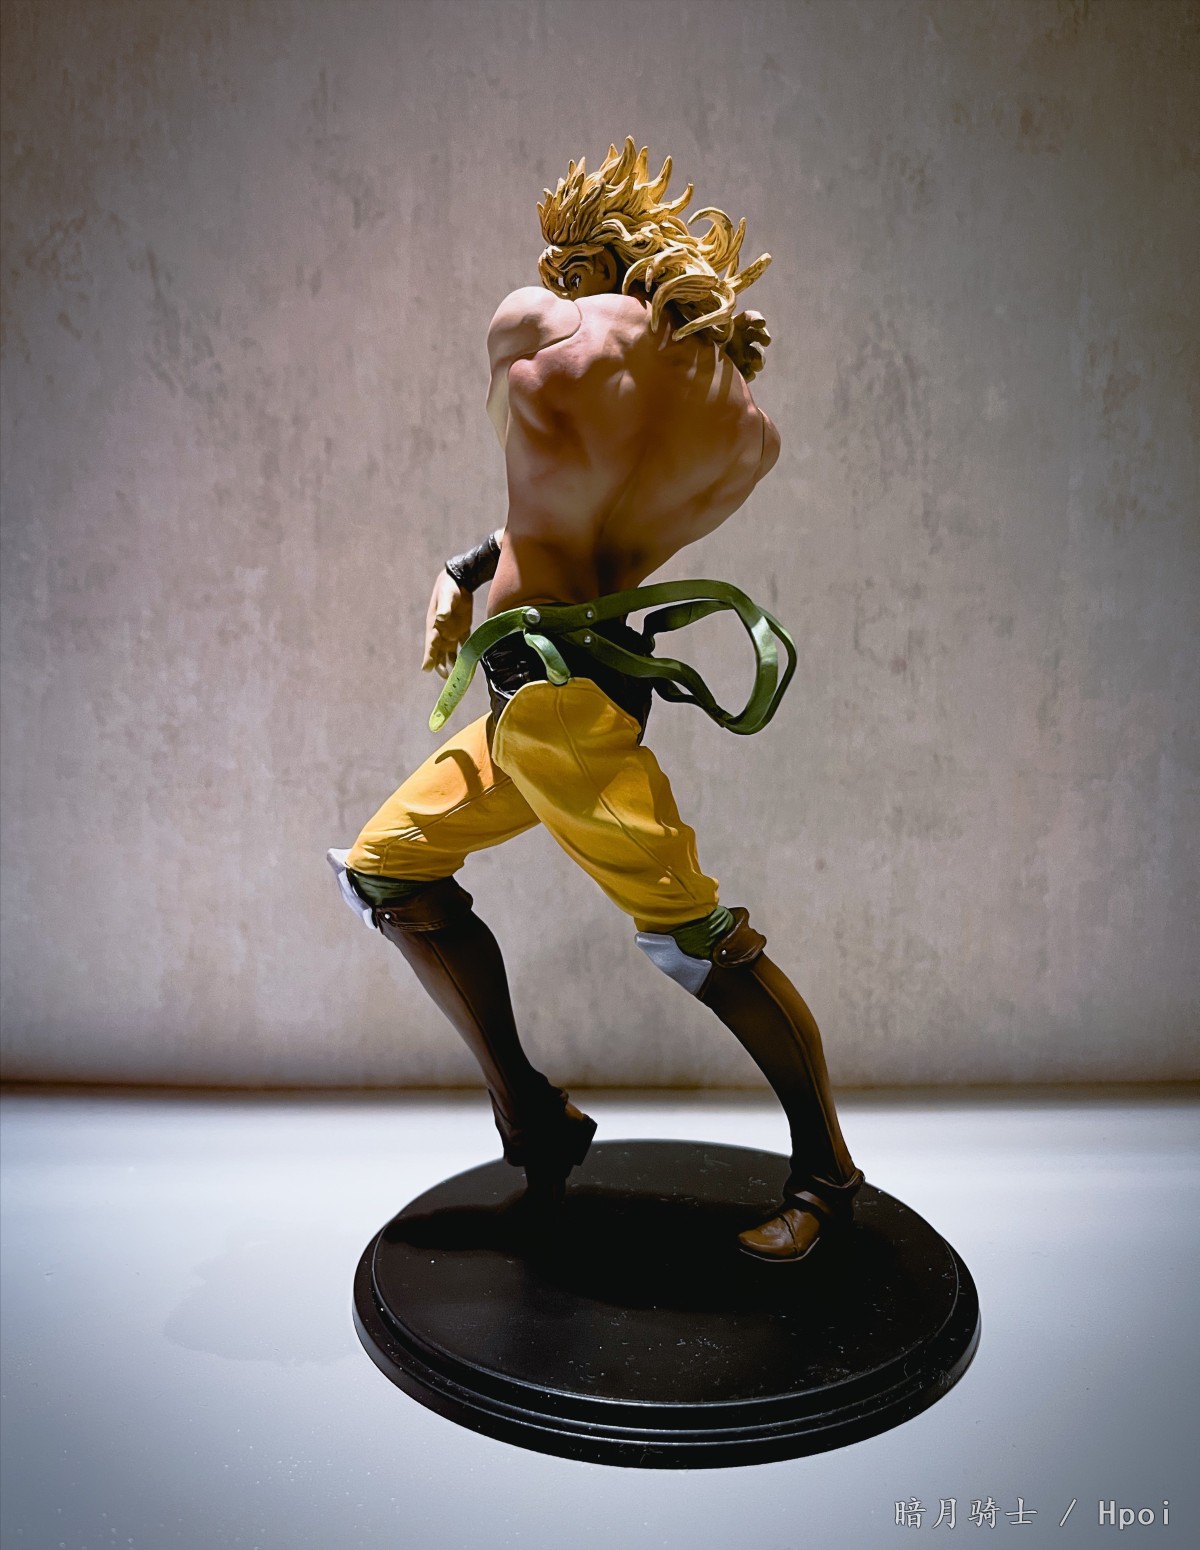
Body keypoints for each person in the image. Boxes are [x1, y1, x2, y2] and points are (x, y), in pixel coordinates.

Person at [329, 140, 862, 1261]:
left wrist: (483, 561)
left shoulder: (536, 325)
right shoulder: (742, 424)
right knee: (389, 867)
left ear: (588, 259)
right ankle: (535, 1118)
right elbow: (580, 529)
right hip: (553, 694)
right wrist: (470, 569)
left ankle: (827, 1176)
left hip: (560, 714)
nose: (547, 274)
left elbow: (535, 492)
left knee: (695, 937)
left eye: (560, 259)